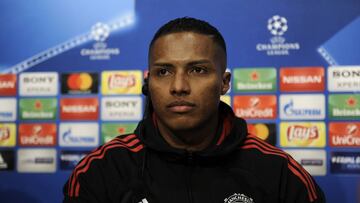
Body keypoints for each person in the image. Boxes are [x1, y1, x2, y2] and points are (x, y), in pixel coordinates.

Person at [63, 17, 325, 203]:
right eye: (163, 72)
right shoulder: (102, 170)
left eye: (198, 70)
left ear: (224, 83)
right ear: (148, 82)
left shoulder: (278, 173)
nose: (178, 86)